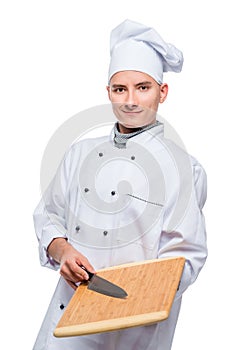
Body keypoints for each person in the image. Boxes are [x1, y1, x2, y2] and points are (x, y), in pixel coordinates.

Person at [33, 19, 207, 350]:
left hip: (134, 331)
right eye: (120, 89)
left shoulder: (184, 169)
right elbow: (48, 217)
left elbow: (185, 256)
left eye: (143, 88)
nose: (130, 100)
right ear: (108, 93)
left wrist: (136, 298)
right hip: (67, 321)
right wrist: (63, 249)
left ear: (162, 92)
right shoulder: (79, 154)